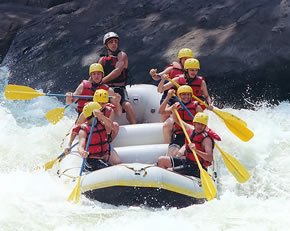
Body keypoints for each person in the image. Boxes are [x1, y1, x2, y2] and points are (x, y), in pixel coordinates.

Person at [157, 112, 221, 178]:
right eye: (198, 124)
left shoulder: (206, 140)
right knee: (161, 160)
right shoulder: (190, 129)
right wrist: (173, 109)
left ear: (205, 126)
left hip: (197, 167)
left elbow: (210, 158)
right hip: (187, 161)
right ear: (194, 123)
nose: (200, 126)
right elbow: (177, 120)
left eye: (202, 124)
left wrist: (196, 151)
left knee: (168, 171)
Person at [64, 89, 120, 154]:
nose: (101, 105)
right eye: (99, 103)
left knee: (115, 125)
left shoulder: (109, 110)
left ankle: (106, 144)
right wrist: (69, 144)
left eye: (104, 103)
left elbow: (109, 130)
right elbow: (77, 127)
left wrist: (101, 117)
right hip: (90, 132)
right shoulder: (88, 109)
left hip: (103, 134)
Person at [98, 32, 136, 124]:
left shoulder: (122, 56)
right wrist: (86, 85)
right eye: (111, 42)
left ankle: (135, 125)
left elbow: (117, 71)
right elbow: (94, 75)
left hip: (120, 88)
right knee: (99, 107)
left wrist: (102, 81)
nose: (114, 43)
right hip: (106, 90)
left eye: (115, 41)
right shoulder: (102, 60)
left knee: (126, 105)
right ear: (106, 45)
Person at [159, 85, 202, 156]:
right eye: (183, 94)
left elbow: (202, 124)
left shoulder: (196, 107)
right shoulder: (176, 106)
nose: (186, 97)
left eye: (188, 94)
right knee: (170, 155)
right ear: (179, 95)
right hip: (180, 136)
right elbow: (161, 112)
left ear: (191, 96)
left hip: (192, 136)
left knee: (179, 154)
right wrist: (168, 97)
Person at [78, 102, 121, 171]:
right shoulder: (83, 130)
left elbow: (112, 126)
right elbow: (80, 146)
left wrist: (102, 117)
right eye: (100, 111)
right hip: (92, 159)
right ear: (93, 114)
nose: (101, 112)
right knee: (108, 170)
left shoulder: (102, 123)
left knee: (117, 164)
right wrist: (82, 152)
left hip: (103, 155)